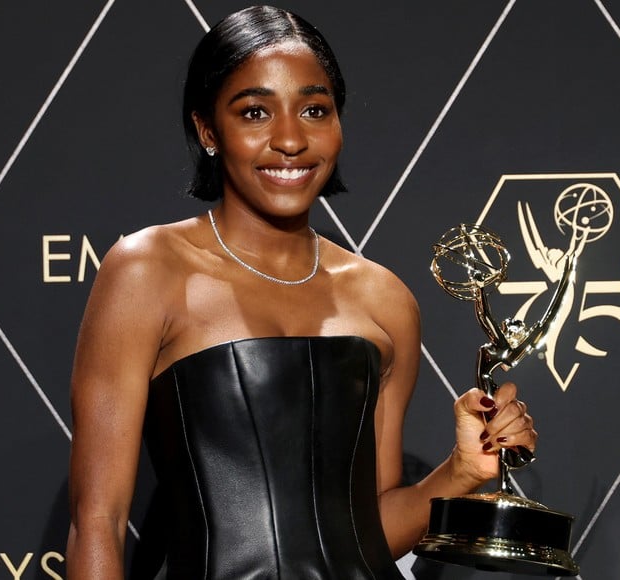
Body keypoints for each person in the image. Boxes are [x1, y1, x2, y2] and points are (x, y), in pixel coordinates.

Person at [66, 5, 536, 579]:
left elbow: (371, 531)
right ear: (207, 129)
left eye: (315, 109)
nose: (290, 139)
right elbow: (98, 523)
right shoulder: (146, 271)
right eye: (255, 111)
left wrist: (459, 472)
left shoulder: (385, 300)